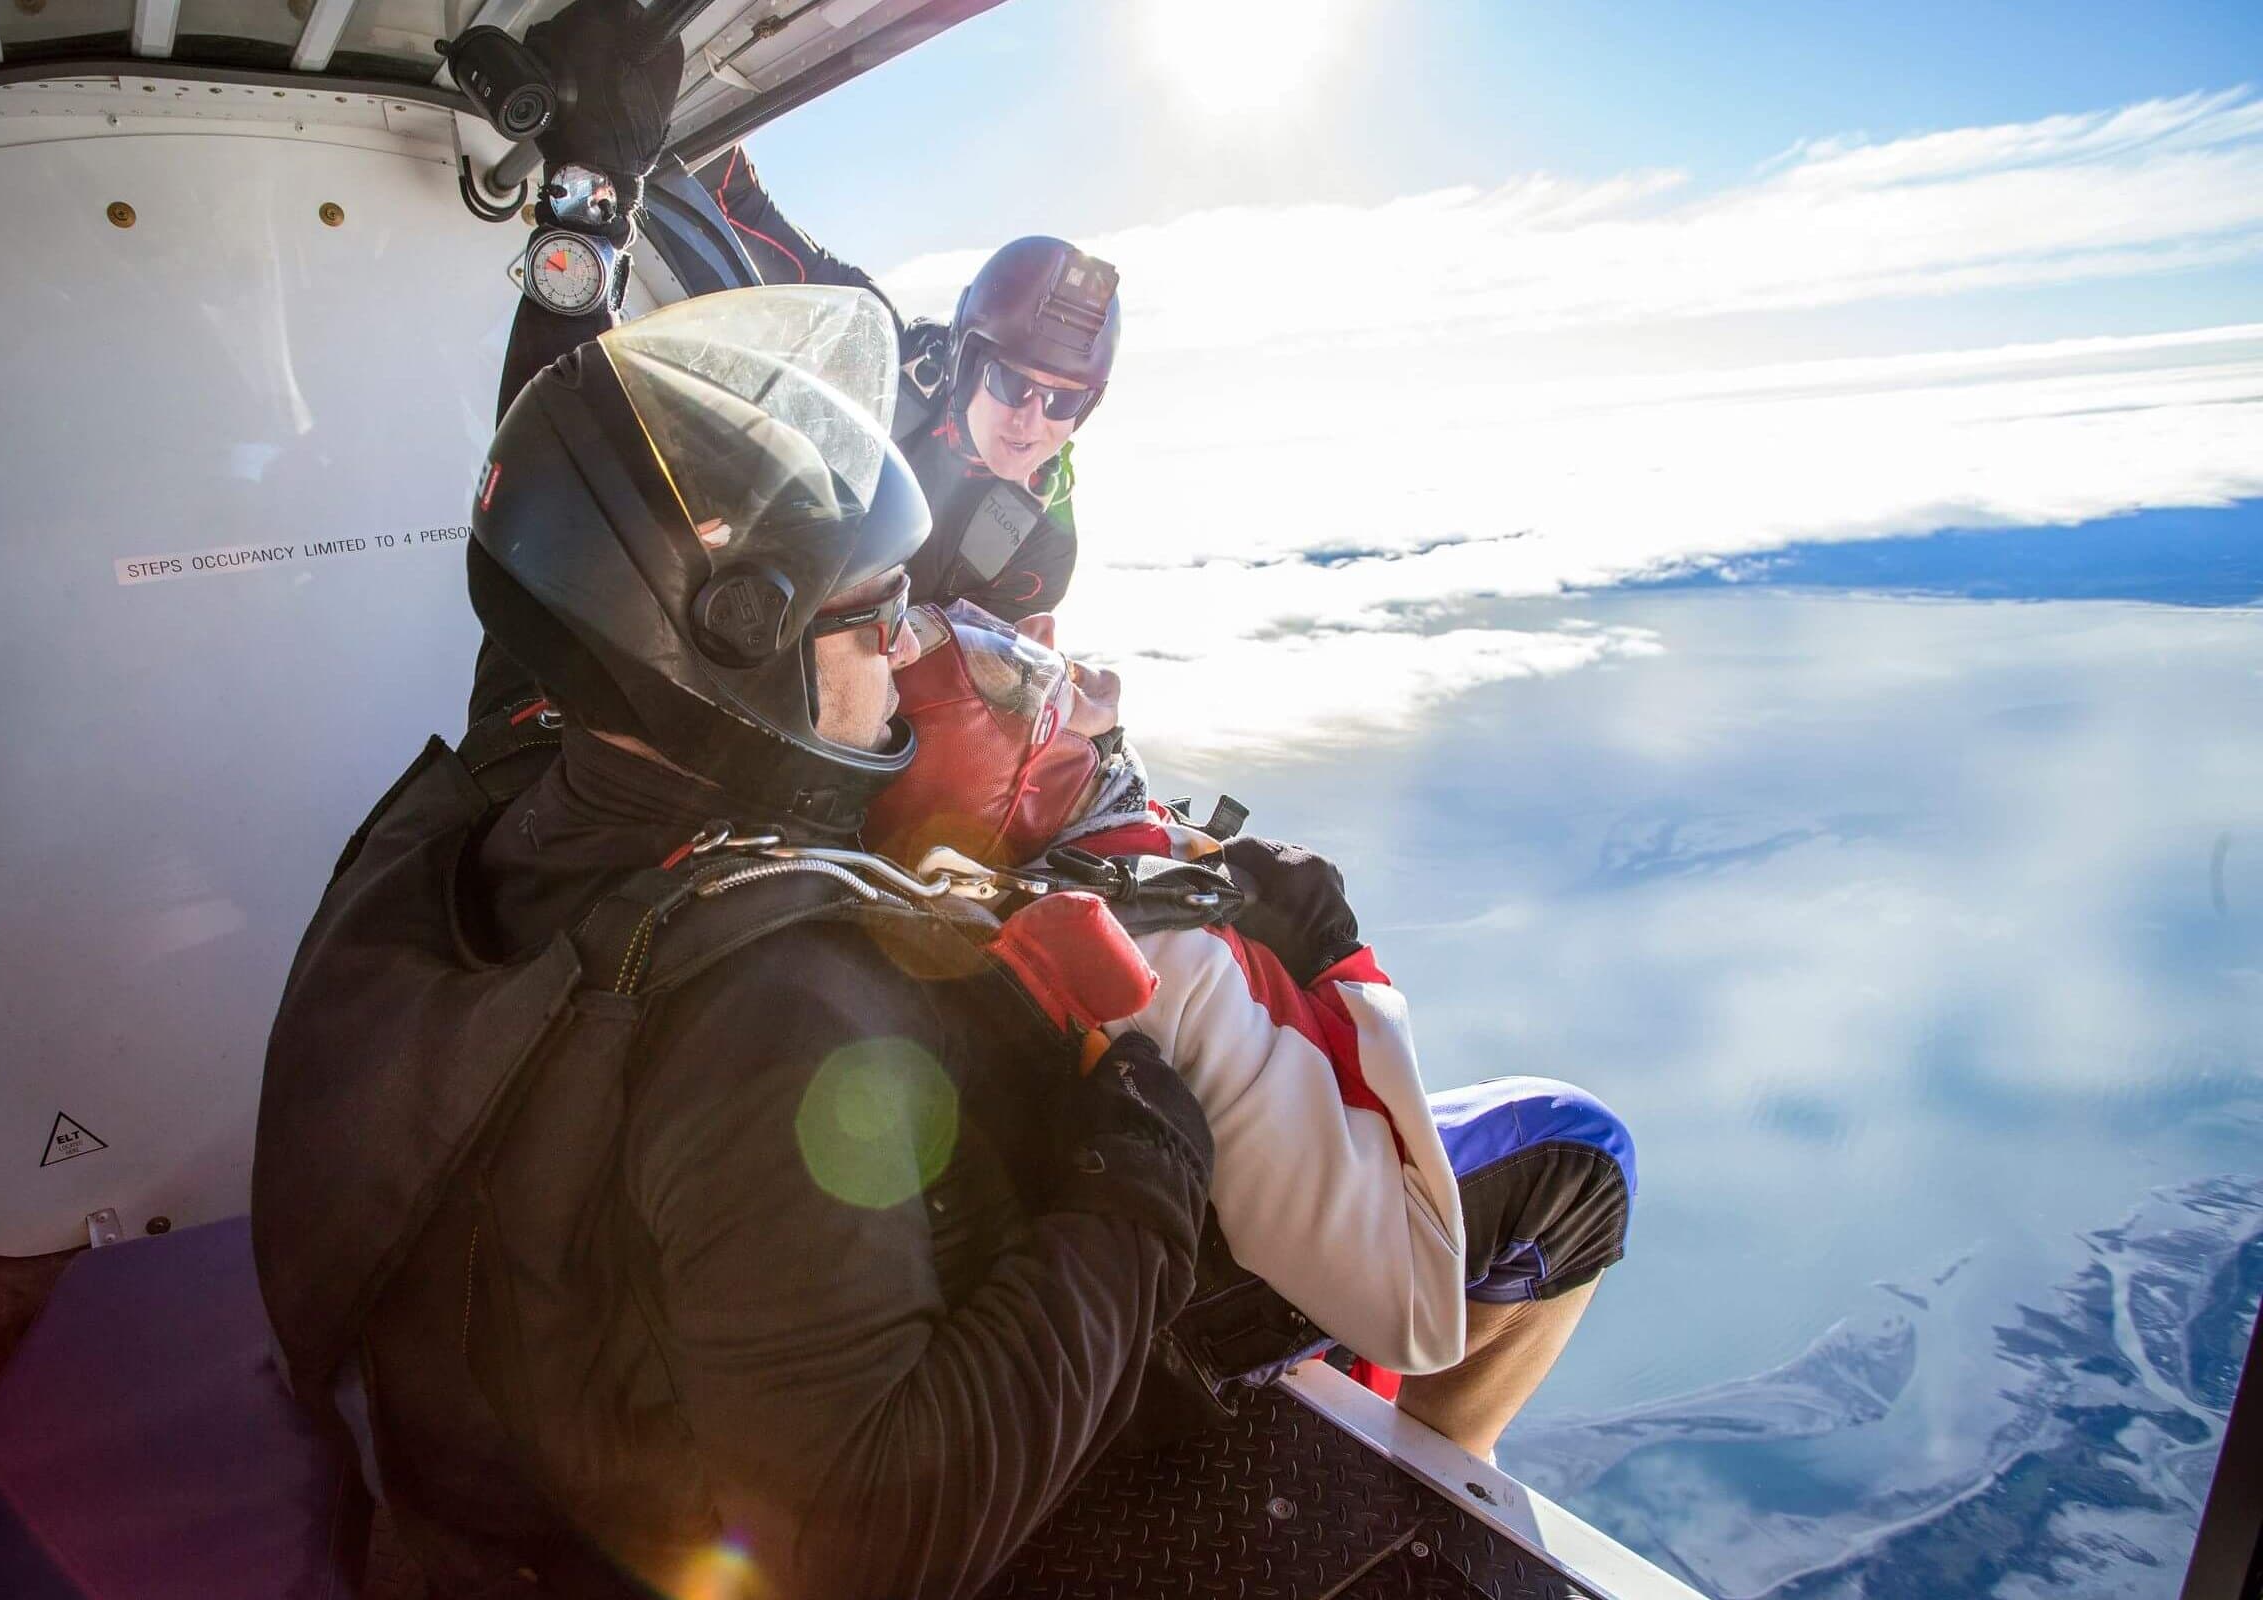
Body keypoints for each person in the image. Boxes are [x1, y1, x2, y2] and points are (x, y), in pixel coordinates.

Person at [253, 287, 1218, 1599]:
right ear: (738, 651)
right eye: (874, 616)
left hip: (451, 1492)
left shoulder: (471, 799)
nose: (905, 655)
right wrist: (1144, 1181)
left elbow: (577, 539)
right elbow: (867, 1551)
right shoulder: (779, 1010)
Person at [861, 601, 1639, 1458]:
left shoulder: (967, 897)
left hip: (1086, 1283)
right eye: (1028, 682)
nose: (1087, 674)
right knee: (1583, 1155)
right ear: (1029, 774)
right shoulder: (1168, 952)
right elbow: (1404, 1308)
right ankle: (1447, 1471)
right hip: (1163, 1354)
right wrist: (1339, 966)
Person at [711, 147, 1114, 620]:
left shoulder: (1041, 547)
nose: (1031, 419)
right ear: (967, 361)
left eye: (1064, 399)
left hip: (838, 680)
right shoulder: (871, 348)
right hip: (733, 587)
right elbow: (735, 200)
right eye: (1011, 382)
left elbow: (974, 684)